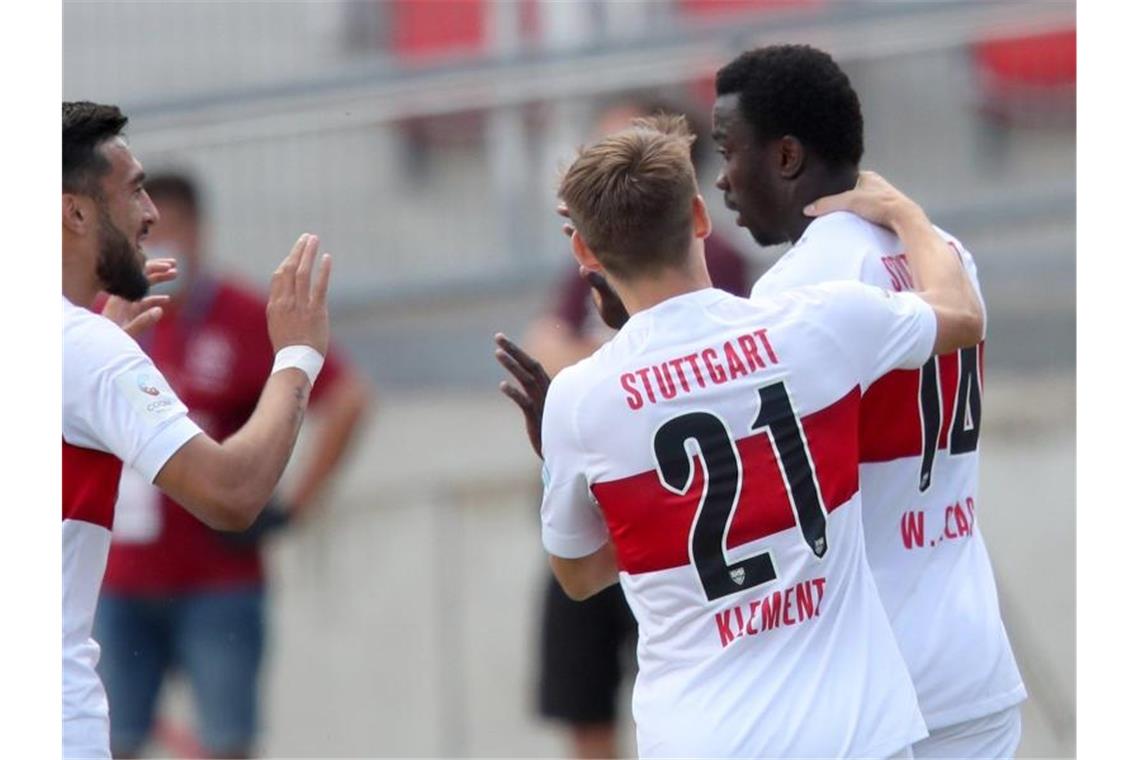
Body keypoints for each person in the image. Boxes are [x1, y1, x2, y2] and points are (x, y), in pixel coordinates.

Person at [495, 115, 985, 757]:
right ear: (700, 216)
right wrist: (905, 215)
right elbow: (962, 316)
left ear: (583, 253)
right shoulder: (819, 322)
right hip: (856, 732)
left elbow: (583, 576)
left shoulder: (581, 402)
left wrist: (577, 466)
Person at [711, 45, 1025, 758]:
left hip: (874, 690)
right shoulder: (945, 253)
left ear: (786, 156)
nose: (722, 180)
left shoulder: (797, 287)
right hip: (974, 667)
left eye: (728, 151)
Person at [62, 101, 332, 759]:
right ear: (74, 212)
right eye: (133, 191)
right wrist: (297, 355)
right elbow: (232, 493)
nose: (150, 214)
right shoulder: (83, 349)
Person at [522, 98, 751, 760]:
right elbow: (544, 347)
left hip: (681, 521)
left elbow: (703, 372)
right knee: (583, 696)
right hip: (600, 508)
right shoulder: (589, 277)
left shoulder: (722, 264)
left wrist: (595, 382)